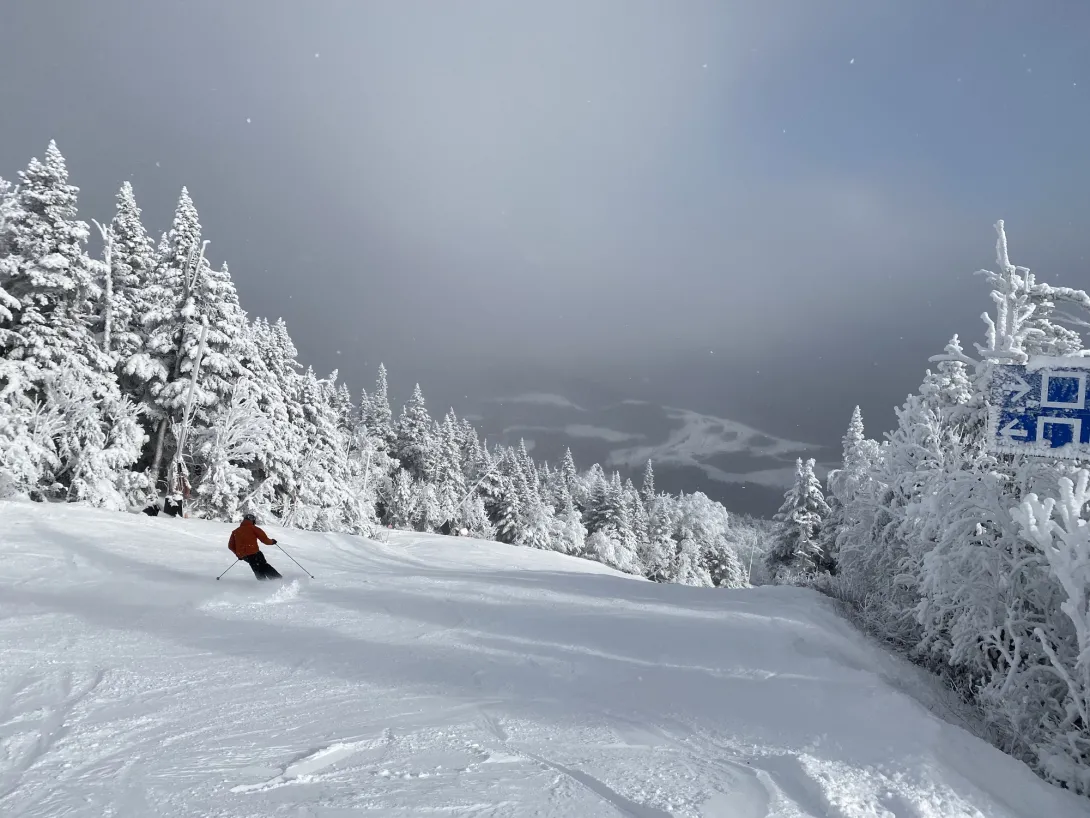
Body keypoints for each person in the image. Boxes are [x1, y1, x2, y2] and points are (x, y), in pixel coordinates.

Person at [228, 513, 283, 580]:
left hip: (245, 556)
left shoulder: (235, 531)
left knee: (256, 568)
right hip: (254, 553)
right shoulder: (253, 528)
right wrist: (272, 542)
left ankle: (263, 584)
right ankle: (278, 579)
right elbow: (265, 540)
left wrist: (239, 555)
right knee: (264, 566)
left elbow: (230, 546)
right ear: (253, 521)